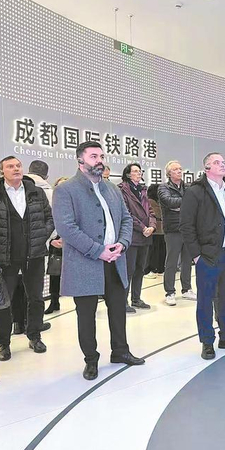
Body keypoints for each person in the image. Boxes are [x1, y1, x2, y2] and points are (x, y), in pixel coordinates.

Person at [53, 140, 144, 380]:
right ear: (80, 160)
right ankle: (91, 360)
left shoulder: (112, 189)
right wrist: (98, 251)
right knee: (86, 315)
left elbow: (126, 219)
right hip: (85, 263)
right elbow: (67, 228)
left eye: (101, 156)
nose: (99, 160)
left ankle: (120, 351)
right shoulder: (66, 190)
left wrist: (122, 243)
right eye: (93, 156)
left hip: (115, 259)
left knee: (118, 309)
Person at [180, 152, 225, 360]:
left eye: (223, 162)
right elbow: (186, 226)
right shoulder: (195, 192)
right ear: (207, 168)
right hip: (209, 256)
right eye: (216, 162)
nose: (222, 165)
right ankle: (207, 341)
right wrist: (196, 256)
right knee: (205, 301)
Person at [0, 156, 54, 360]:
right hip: (5, 258)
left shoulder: (36, 192)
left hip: (34, 255)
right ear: (2, 171)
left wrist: (42, 236)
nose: (16, 169)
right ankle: (3, 343)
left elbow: (49, 218)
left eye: (18, 166)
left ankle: (35, 336)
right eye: (10, 166)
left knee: (36, 298)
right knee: (4, 302)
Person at [118, 163, 156, 311]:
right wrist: (142, 227)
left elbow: (151, 211)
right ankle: (123, 301)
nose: (139, 173)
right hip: (132, 236)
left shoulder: (143, 190)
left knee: (140, 268)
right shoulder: (122, 190)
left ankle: (136, 298)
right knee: (129, 270)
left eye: (140, 171)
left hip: (145, 236)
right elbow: (126, 213)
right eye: (135, 171)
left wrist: (152, 226)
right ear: (128, 174)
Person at [159, 160, 195, 306]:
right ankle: (170, 292)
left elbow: (194, 203)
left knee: (187, 261)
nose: (179, 171)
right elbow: (169, 202)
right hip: (172, 229)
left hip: (188, 228)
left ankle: (187, 289)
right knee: (172, 262)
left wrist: (180, 205)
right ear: (169, 173)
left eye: (180, 169)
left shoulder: (188, 187)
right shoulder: (163, 187)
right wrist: (185, 203)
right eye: (175, 169)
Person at [45, 176, 69, 315]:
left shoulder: (77, 205)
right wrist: (51, 240)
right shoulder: (51, 205)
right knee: (54, 274)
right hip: (55, 242)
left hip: (73, 244)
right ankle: (54, 302)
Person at [145, 184, 166, 276]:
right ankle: (152, 269)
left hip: (161, 230)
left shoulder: (160, 201)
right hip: (154, 230)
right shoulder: (149, 202)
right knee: (154, 250)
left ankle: (160, 268)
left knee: (161, 250)